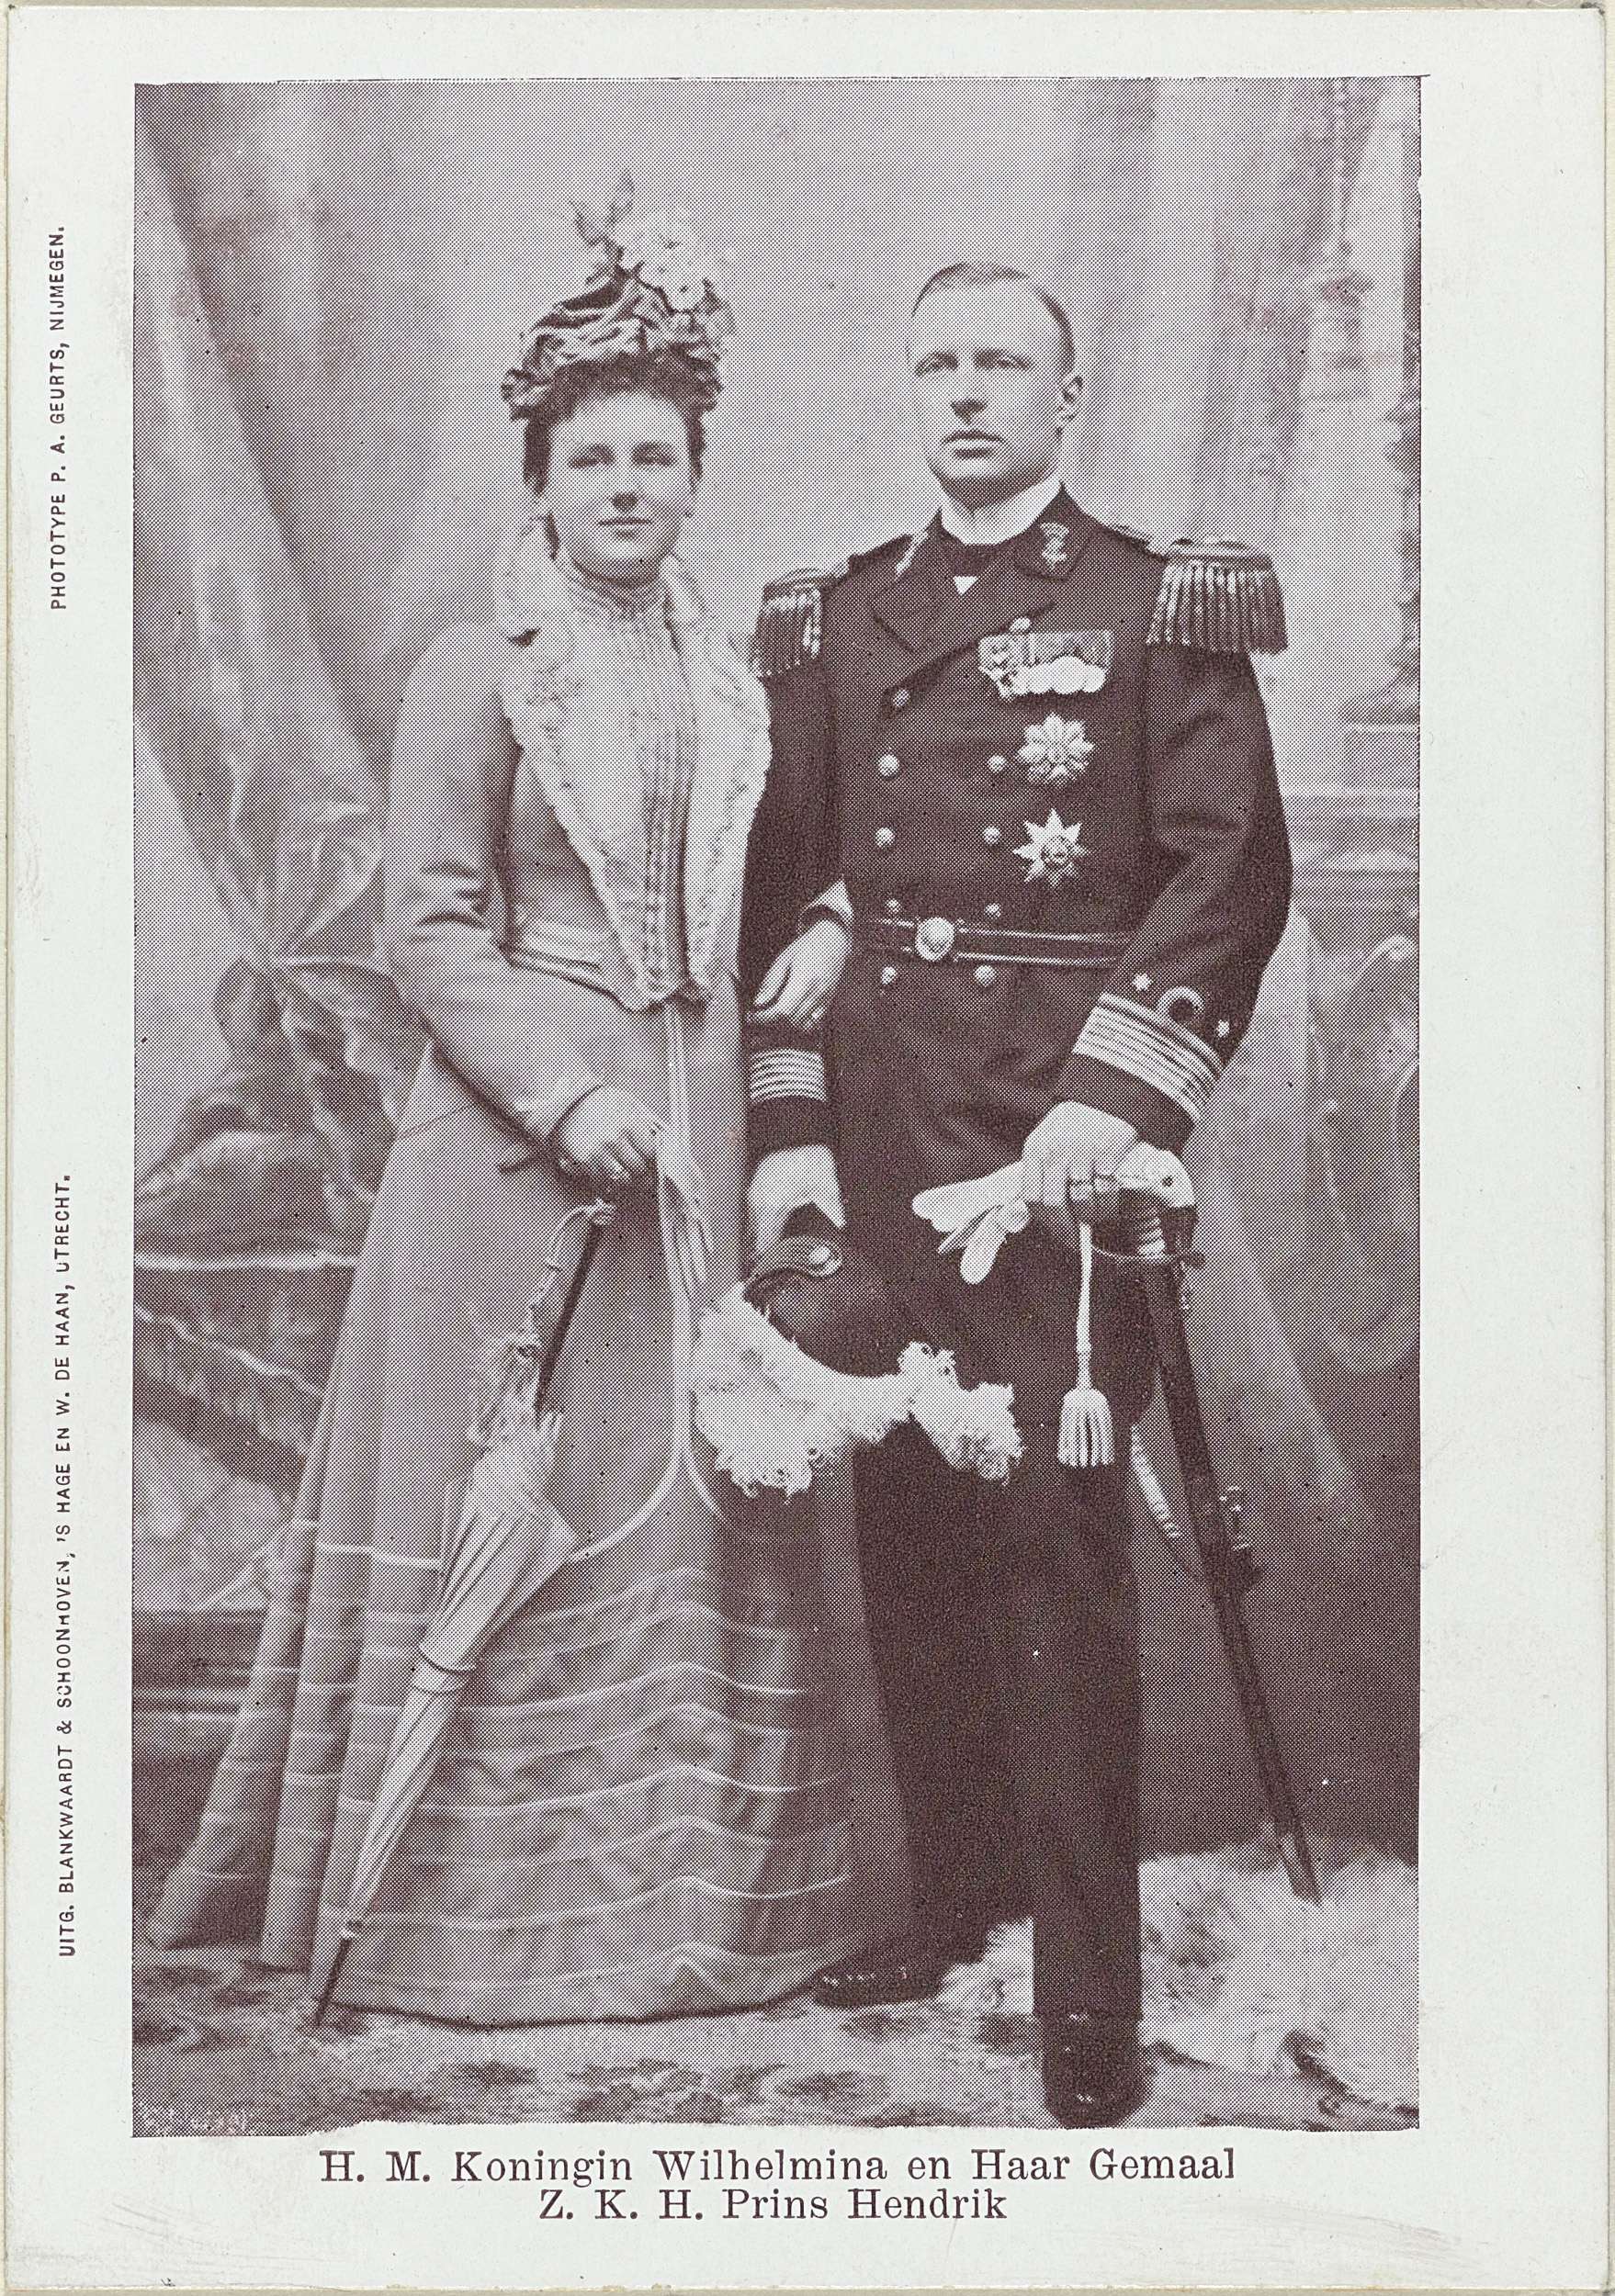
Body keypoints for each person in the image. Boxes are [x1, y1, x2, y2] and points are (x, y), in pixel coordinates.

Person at [148, 195, 856, 2022]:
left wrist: (823, 937)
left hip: (696, 1133)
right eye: (591, 456)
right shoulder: (479, 670)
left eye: (655, 455)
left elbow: (769, 890)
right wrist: (559, 1093)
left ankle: (694, 1919)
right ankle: (462, 1932)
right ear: (539, 479)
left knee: (691, 1492)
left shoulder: (733, 678)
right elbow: (427, 926)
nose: (624, 483)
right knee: (513, 1502)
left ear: (693, 478)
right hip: (515, 1152)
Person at [740, 262, 1293, 2123]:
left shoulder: (1156, 600)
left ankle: (1085, 1992)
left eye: (1001, 363)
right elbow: (785, 882)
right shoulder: (835, 617)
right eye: (938, 363)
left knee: (1056, 1545)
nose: (965, 392)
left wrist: (1108, 1104)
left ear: (1068, 396)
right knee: (907, 1524)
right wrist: (793, 1127)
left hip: (1055, 1149)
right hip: (888, 1126)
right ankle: (955, 1905)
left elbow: (1227, 870)